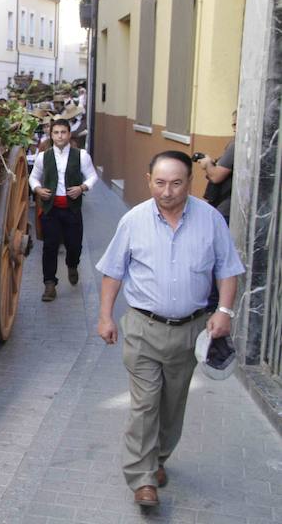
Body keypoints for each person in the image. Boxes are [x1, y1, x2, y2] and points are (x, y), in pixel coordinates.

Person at [96, 151, 244, 507]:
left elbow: (228, 269)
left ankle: (159, 458)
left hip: (190, 331)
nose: (167, 191)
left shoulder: (210, 219)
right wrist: (105, 316)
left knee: (173, 404)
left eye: (176, 183)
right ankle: (143, 478)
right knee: (145, 405)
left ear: (189, 183)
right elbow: (113, 272)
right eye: (159, 183)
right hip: (143, 328)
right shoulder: (133, 221)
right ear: (149, 180)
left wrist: (224, 311)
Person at [29, 118, 98, 301]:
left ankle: (72, 265)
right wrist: (38, 189)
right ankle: (49, 285)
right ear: (51, 135)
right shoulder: (44, 156)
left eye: (63, 132)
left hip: (72, 210)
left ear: (69, 134)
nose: (60, 136)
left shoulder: (81, 155)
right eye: (56, 132)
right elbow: (33, 177)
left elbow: (92, 177)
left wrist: (82, 188)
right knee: (49, 247)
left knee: (74, 246)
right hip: (51, 210)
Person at [198, 110, 236, 223]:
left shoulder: (236, 145)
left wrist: (207, 163)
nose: (235, 128)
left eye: (237, 124)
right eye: (233, 124)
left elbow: (216, 176)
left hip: (228, 208)